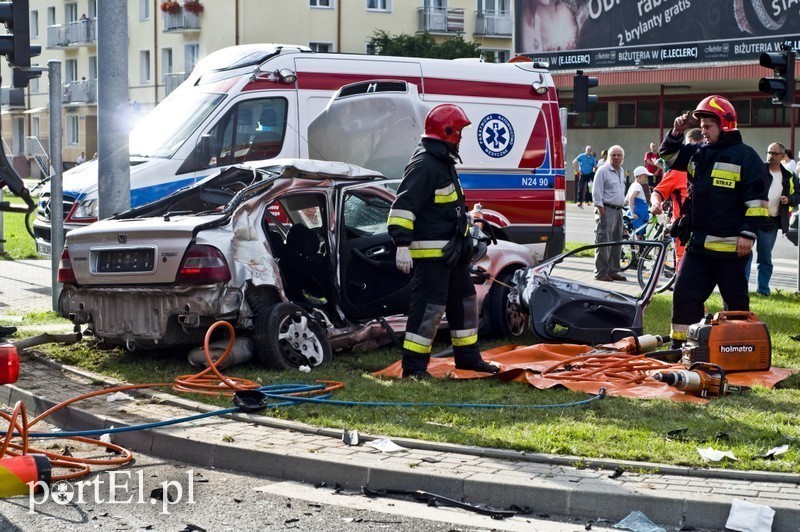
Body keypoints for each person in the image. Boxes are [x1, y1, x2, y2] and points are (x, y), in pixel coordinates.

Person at [387, 104, 499, 379]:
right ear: (447, 131)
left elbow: (445, 208)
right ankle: (413, 369)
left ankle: (468, 359)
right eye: (459, 132)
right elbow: (402, 208)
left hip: (453, 254)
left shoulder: (443, 162)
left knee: (465, 305)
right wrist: (402, 244)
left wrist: (469, 221)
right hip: (432, 259)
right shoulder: (425, 164)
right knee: (428, 311)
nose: (461, 137)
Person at [659, 95, 768, 348]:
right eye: (702, 127)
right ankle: (684, 347)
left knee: (736, 305)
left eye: (709, 127)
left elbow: (757, 202)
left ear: (725, 125)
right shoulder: (698, 152)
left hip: (731, 249)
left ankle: (738, 348)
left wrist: (748, 235)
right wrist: (676, 132)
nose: (703, 132)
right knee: (684, 294)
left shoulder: (745, 157)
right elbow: (669, 156)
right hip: (698, 247)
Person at [745, 142, 800, 296]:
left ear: (783, 156)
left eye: (775, 154)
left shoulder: (789, 175)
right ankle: (741, 289)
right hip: (751, 219)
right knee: (745, 255)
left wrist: (789, 199)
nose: (770, 156)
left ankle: (763, 291)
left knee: (765, 258)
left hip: (770, 222)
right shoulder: (758, 170)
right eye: (769, 152)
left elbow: (798, 195)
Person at [651, 128, 704, 265]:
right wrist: (656, 203)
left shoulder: (711, 169)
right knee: (684, 274)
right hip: (684, 231)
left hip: (707, 231)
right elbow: (658, 192)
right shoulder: (677, 172)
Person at [592, 145, 627, 282]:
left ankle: (613, 271)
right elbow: (596, 192)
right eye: (613, 155)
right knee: (604, 241)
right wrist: (601, 209)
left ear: (622, 158)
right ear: (608, 156)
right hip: (606, 209)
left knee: (616, 241)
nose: (616, 157)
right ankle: (601, 272)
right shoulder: (603, 171)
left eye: (619, 155)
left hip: (618, 210)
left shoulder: (622, 171)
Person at [626, 166, 651, 237]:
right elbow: (631, 198)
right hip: (639, 215)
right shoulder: (638, 186)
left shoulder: (632, 185)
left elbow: (626, 201)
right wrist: (632, 212)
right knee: (639, 235)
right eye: (645, 177)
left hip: (634, 215)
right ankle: (637, 248)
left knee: (635, 235)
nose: (647, 179)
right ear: (639, 177)